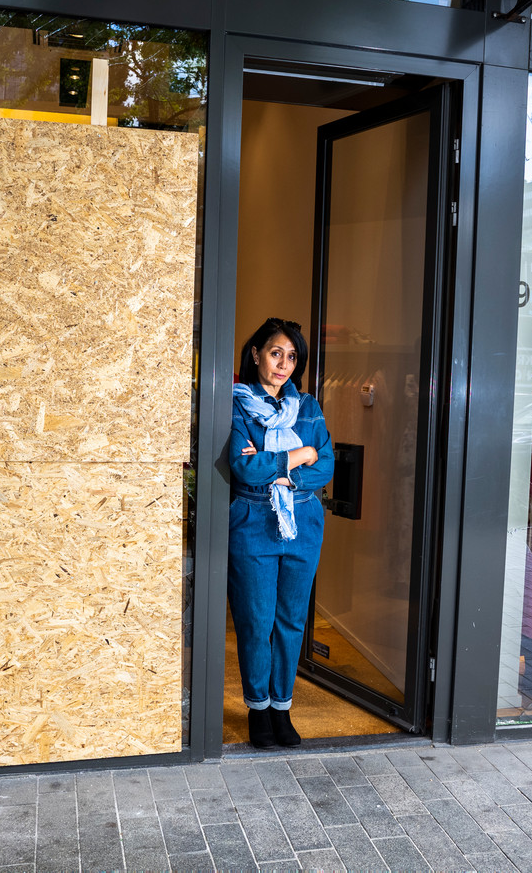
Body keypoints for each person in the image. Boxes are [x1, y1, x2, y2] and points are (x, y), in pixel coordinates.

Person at [228, 317, 335, 749]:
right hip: (252, 523)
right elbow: (242, 467)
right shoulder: (235, 405)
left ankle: (281, 708)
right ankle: (257, 709)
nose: (283, 363)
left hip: (303, 524)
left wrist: (284, 471)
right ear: (256, 354)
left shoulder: (308, 407)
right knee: (256, 623)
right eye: (275, 353)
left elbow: (325, 465)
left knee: (290, 621)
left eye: (292, 356)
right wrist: (299, 455)